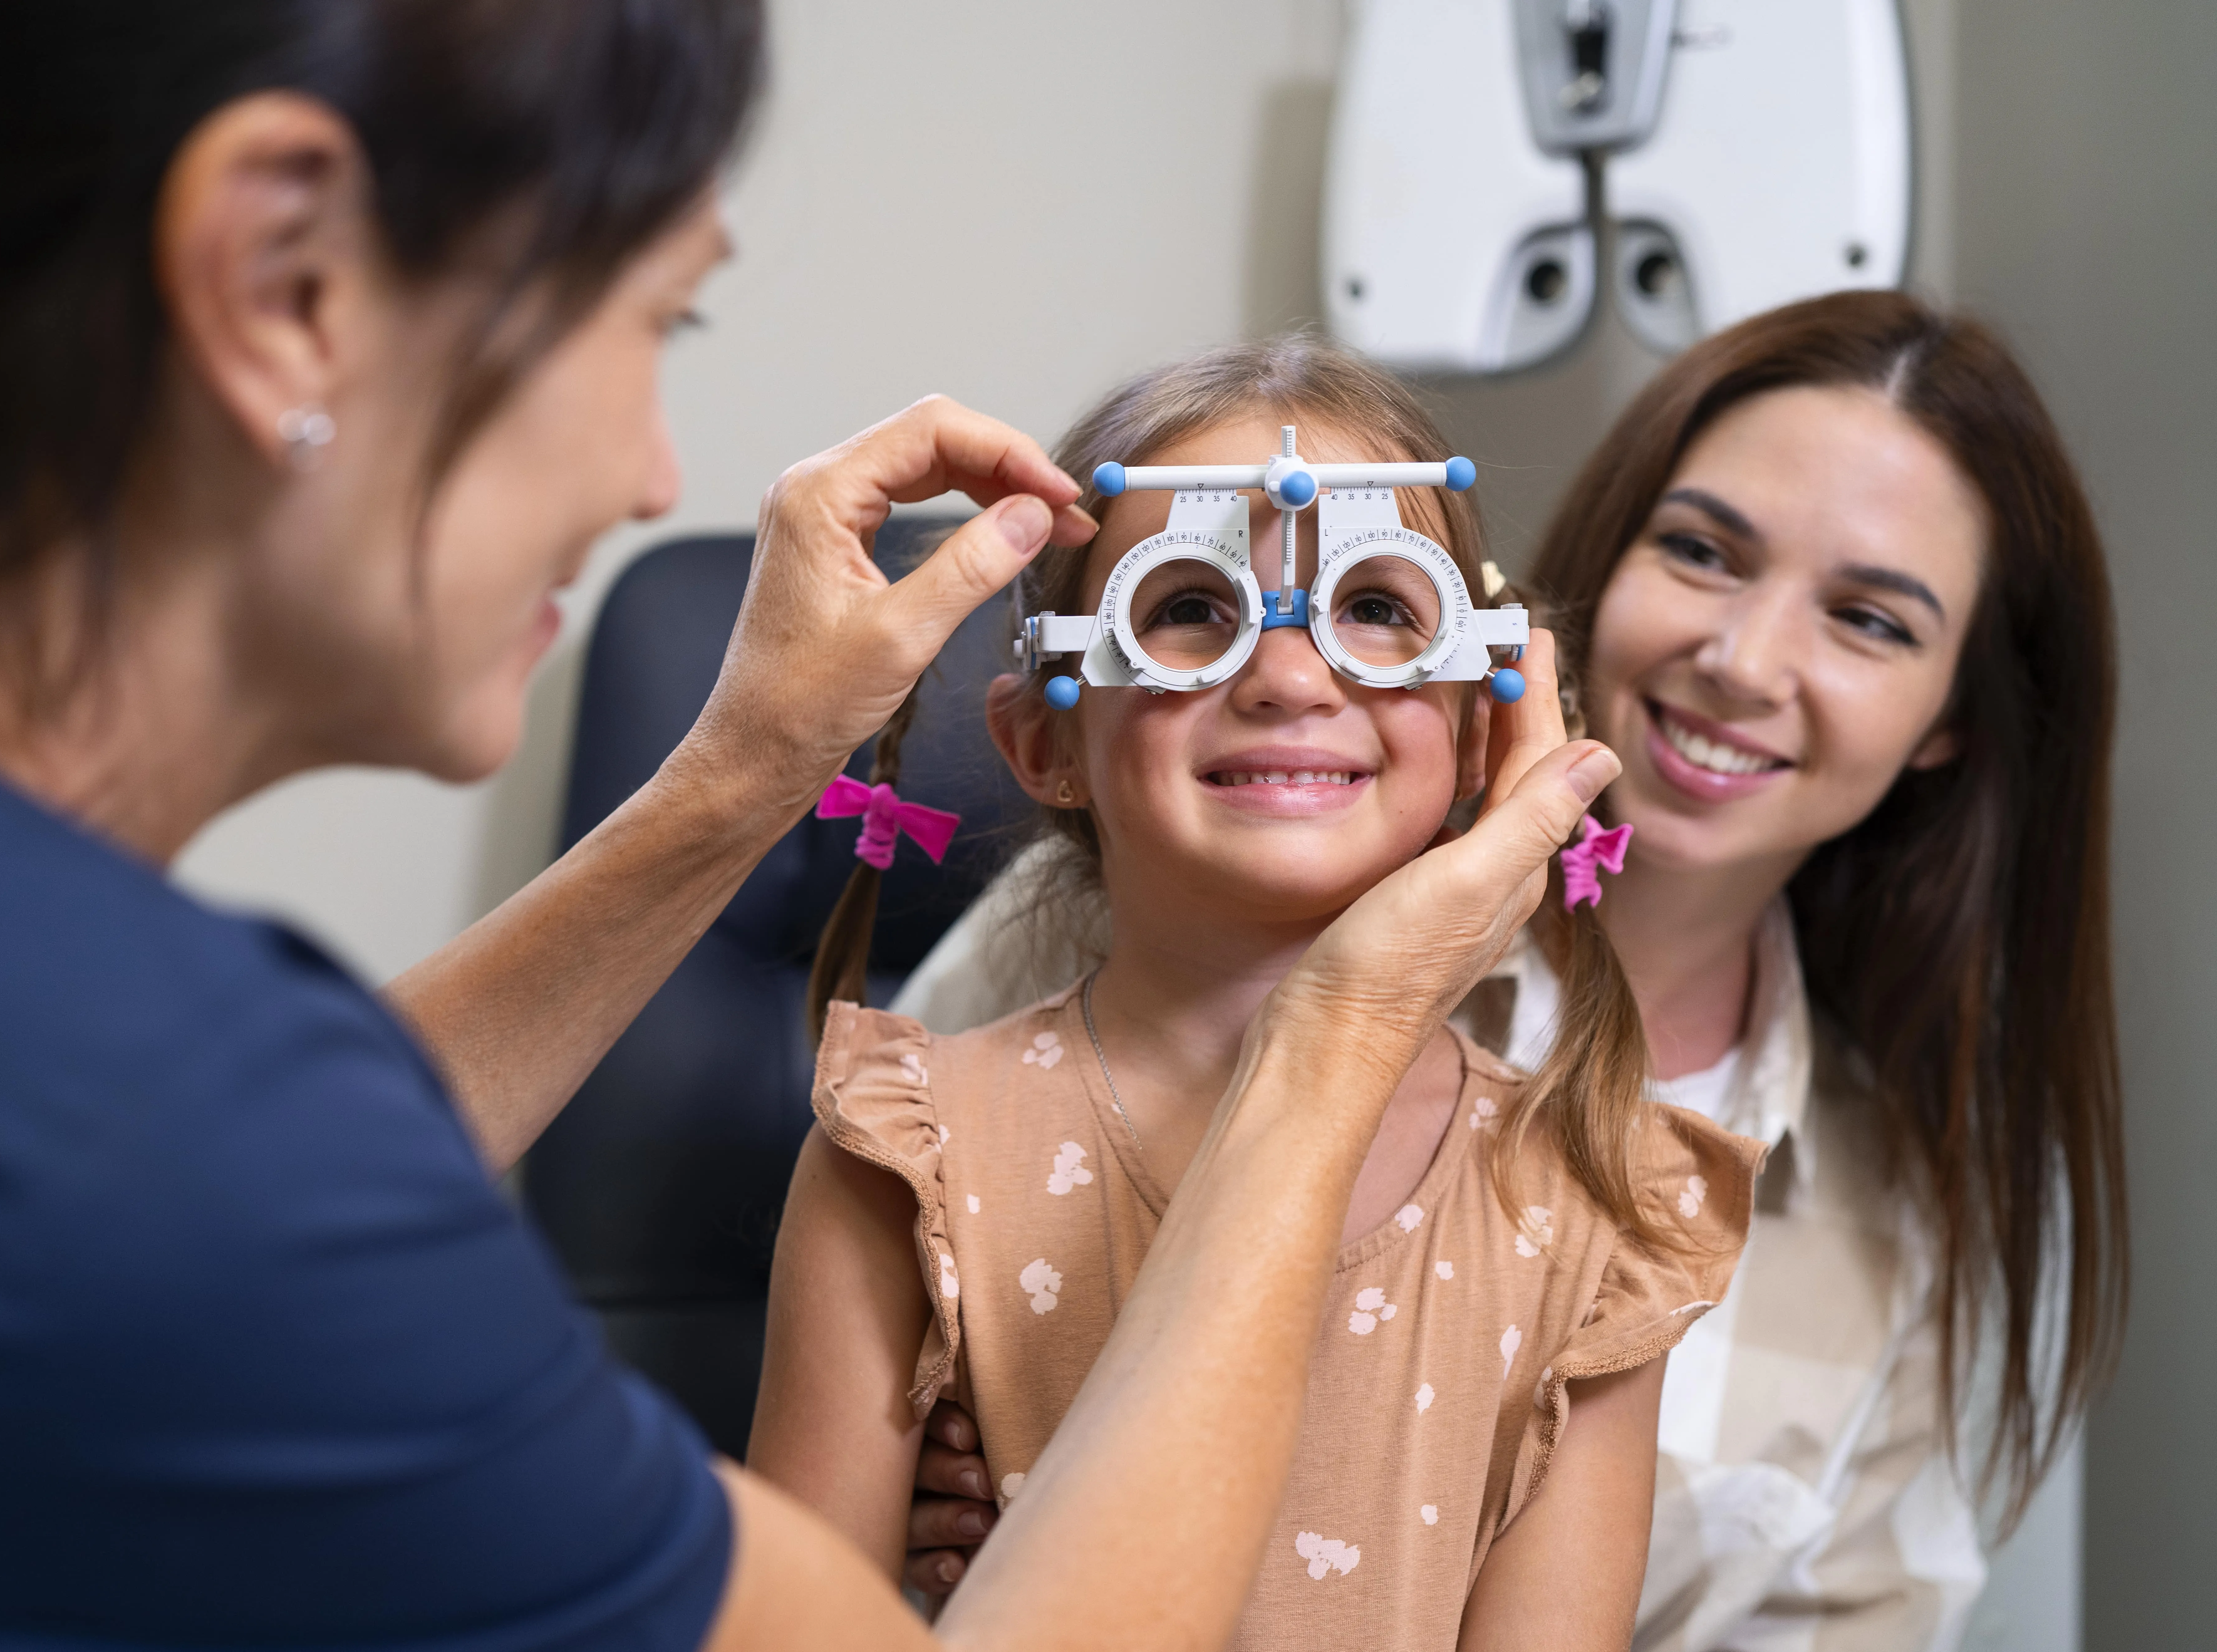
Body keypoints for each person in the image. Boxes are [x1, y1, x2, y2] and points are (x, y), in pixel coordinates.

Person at [0, 3, 1623, 1649]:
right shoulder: (152, 1141)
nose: (662, 472)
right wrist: (1345, 1032)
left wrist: (746, 772)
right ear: (289, 284)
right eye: (658, 318)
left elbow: (243, 1183)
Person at [894, 293, 2128, 1652]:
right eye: (1704, 552)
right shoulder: (1201, 881)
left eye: (1868, 620)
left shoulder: (1908, 1212)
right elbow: (910, 1316)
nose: (1742, 660)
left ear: (1951, 717)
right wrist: (994, 1503)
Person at [747, 340, 1761, 1651]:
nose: (1287, 676)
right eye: (1186, 609)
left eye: (1379, 610)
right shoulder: (907, 1156)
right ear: (1042, 740)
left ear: (1480, 721)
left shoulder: (1584, 1198)